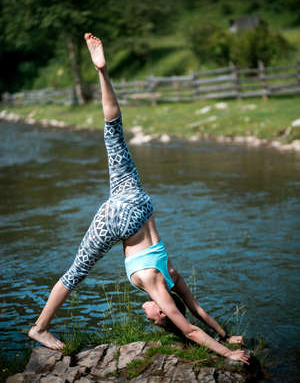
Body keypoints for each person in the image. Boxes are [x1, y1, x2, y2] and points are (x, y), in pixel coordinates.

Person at [28, 33, 250, 365]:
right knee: (75, 272)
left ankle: (103, 73)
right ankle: (40, 328)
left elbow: (198, 310)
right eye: (152, 315)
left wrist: (225, 335)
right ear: (162, 310)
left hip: (138, 199)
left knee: (114, 129)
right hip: (117, 220)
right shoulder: (159, 287)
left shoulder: (173, 274)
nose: (146, 312)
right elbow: (188, 328)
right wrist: (229, 353)